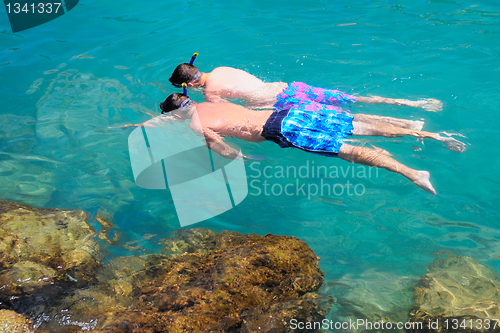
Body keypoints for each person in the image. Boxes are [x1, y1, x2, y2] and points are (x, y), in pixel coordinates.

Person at [159, 93, 466, 195]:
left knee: (348, 151)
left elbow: (219, 147)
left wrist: (244, 159)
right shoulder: (212, 101)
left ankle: (413, 173)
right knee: (360, 127)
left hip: (280, 128)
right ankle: (432, 136)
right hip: (287, 112)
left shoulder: (195, 122)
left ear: (177, 115)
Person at [169, 54, 443, 111]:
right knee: (350, 99)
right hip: (288, 87)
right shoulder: (221, 68)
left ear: (189, 85)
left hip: (277, 102)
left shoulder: (211, 93)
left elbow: (229, 113)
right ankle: (411, 103)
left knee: (342, 116)